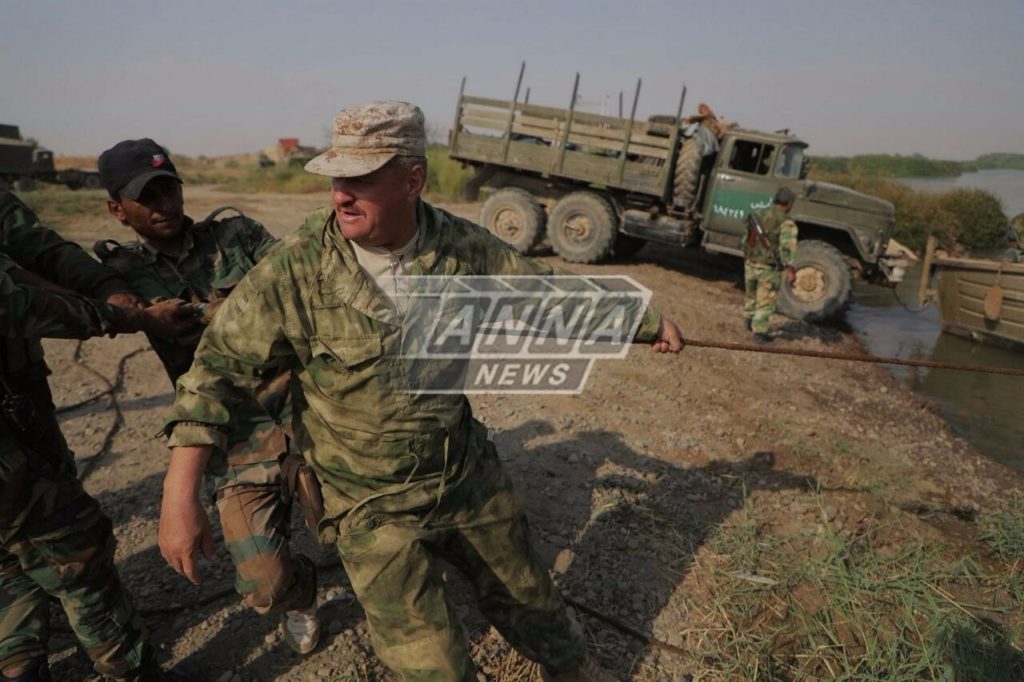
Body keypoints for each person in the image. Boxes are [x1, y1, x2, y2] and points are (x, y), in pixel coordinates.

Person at [158, 101, 685, 682]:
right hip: (369, 504)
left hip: (463, 475)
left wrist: (645, 321)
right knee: (435, 668)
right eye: (336, 178)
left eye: (361, 179)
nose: (340, 195)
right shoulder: (295, 272)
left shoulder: (463, 249)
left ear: (413, 179)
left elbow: (544, 292)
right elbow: (214, 371)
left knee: (535, 604)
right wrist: (179, 494)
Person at [91, 139, 320, 655]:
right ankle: (303, 594)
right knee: (265, 581)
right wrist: (136, 315)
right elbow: (80, 300)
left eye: (169, 188)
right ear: (116, 209)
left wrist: (216, 313)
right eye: (147, 197)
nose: (164, 205)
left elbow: (295, 284)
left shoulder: (235, 235)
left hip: (302, 408)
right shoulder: (120, 273)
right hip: (227, 435)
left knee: (355, 523)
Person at [0, 191, 201, 682]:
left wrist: (108, 285)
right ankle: (130, 671)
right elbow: (17, 302)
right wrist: (130, 317)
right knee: (72, 543)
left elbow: (39, 249)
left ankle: (17, 660)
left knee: (11, 553)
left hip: (15, 404)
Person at [742, 187, 799, 343]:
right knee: (766, 301)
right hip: (768, 268)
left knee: (751, 294)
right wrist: (789, 268)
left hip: (751, 263)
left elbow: (746, 240)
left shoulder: (757, 214)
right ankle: (759, 334)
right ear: (788, 204)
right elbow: (787, 249)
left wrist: (748, 257)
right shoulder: (787, 222)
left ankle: (748, 322)